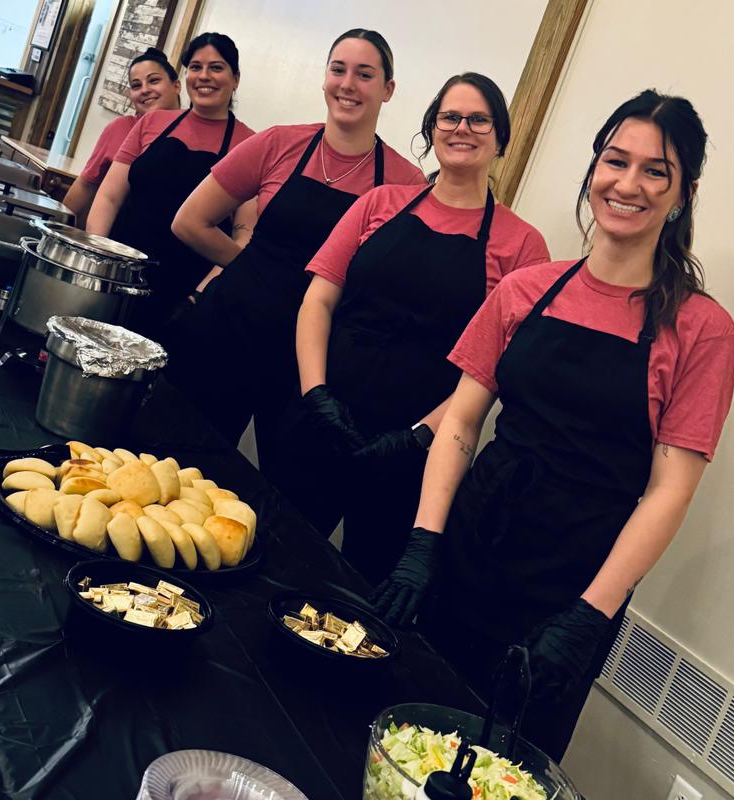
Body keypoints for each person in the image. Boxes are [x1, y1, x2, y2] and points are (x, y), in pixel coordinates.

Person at [372, 89, 734, 761]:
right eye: (615, 161)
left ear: (683, 193)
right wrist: (424, 542)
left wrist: (588, 615)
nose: (627, 184)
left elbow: (669, 492)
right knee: (406, 735)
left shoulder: (701, 329)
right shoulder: (526, 290)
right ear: (594, 168)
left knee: (500, 769)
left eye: (655, 171)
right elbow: (461, 424)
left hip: (571, 586)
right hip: (470, 548)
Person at [274, 73, 548, 582]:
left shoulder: (523, 246)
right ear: (431, 128)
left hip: (413, 451)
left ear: (500, 137)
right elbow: (318, 301)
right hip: (323, 418)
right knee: (273, 558)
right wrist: (315, 393)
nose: (462, 128)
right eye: (450, 117)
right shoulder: (379, 203)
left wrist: (420, 436)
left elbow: (493, 371)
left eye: (479, 120)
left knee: (362, 591)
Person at [168, 28, 425, 464]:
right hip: (227, 331)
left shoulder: (406, 184)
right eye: (338, 70)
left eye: (364, 74)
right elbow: (189, 221)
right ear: (325, 78)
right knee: (177, 463)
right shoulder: (279, 144)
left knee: (280, 487)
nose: (347, 84)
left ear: (388, 90)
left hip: (312, 365)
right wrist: (250, 267)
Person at [86, 32, 255, 337]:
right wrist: (98, 259)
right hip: (119, 273)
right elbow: (109, 197)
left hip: (181, 294)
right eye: (195, 67)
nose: (204, 76)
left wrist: (199, 295)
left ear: (236, 79)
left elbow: (243, 237)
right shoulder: (152, 123)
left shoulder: (250, 145)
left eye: (216, 67)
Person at [63, 48, 182, 227]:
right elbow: (86, 184)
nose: (145, 90)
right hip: (112, 232)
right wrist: (55, 224)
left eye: (154, 80)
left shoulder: (192, 131)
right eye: (136, 85)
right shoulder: (119, 128)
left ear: (176, 86)